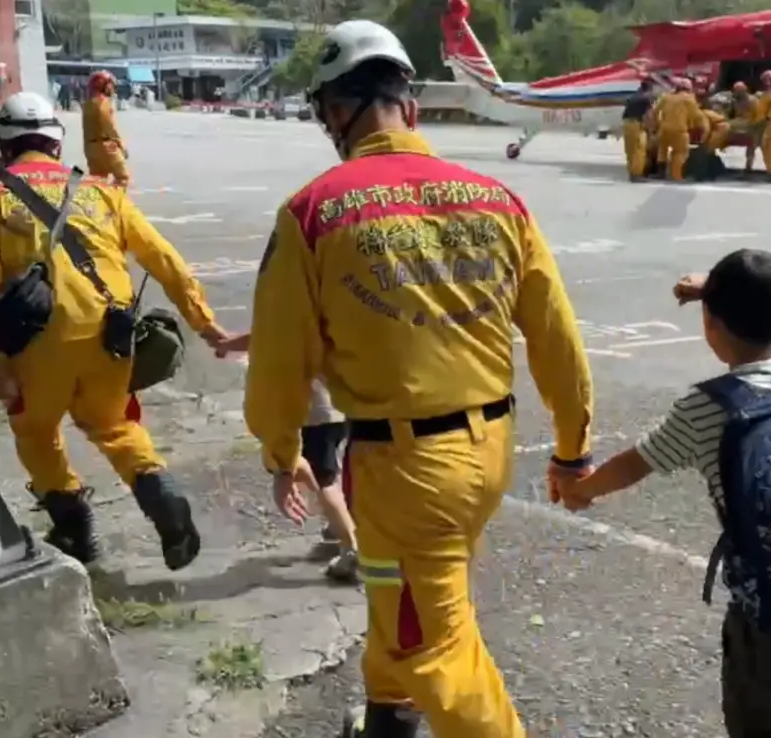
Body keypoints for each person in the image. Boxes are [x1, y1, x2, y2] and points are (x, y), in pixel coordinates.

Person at [242, 16, 594, 738]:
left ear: (336, 112)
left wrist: (283, 455)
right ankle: (388, 718)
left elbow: (280, 363)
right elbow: (557, 338)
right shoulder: (498, 200)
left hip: (406, 471)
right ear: (412, 103)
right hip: (487, 452)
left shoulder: (313, 213)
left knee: (435, 646)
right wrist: (571, 445)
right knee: (398, 592)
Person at [557, 250, 771, 738]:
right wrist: (715, 287)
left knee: (760, 721)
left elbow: (635, 463)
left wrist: (580, 491)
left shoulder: (706, 407)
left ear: (711, 326)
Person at [0, 91, 228, 570]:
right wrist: (205, 323)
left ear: (3, 145)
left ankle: (74, 529)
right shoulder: (103, 192)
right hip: (112, 333)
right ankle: (162, 499)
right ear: (58, 146)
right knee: (116, 424)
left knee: (37, 432)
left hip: (35, 343)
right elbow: (164, 259)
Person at [212, 332, 360, 584]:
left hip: (314, 416)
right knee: (327, 472)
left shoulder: (293, 313)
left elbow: (264, 333)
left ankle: (351, 547)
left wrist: (227, 345)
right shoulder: (323, 309)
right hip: (336, 409)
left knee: (324, 482)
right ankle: (339, 524)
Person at [652, 77, 708, 181]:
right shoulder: (688, 99)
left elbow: (655, 111)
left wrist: (657, 125)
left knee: (662, 150)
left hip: (664, 129)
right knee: (680, 152)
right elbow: (696, 115)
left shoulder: (666, 97)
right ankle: (676, 176)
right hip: (679, 130)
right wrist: (701, 128)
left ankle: (661, 174)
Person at [82, 70, 130, 188]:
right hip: (106, 146)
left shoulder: (87, 104)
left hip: (90, 147)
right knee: (122, 178)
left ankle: (99, 204)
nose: (112, 88)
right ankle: (114, 203)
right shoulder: (103, 102)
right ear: (103, 85)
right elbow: (109, 126)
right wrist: (121, 145)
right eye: (110, 84)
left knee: (97, 181)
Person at [621, 79, 654, 181]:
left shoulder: (631, 97)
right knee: (639, 150)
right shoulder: (646, 99)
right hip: (636, 124)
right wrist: (651, 129)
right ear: (649, 89)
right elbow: (649, 115)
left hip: (626, 124)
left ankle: (631, 173)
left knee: (630, 150)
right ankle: (637, 175)